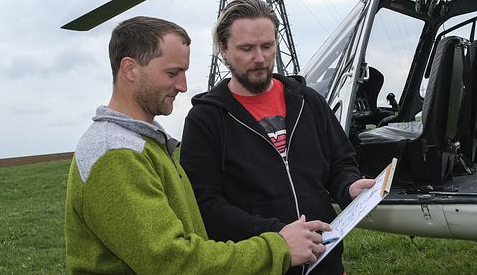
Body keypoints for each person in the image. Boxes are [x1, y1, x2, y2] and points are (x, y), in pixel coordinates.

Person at [64, 16, 329, 274]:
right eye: (172, 73)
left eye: (184, 72)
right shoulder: (116, 154)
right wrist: (278, 248)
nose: (183, 86)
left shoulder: (142, 142)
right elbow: (172, 262)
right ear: (130, 69)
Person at [180, 0, 375, 275]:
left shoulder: (308, 101)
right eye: (246, 48)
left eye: (267, 46)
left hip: (325, 261)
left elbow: (340, 162)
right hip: (261, 265)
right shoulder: (206, 119)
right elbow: (205, 204)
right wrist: (278, 236)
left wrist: (348, 187)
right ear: (222, 49)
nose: (259, 58)